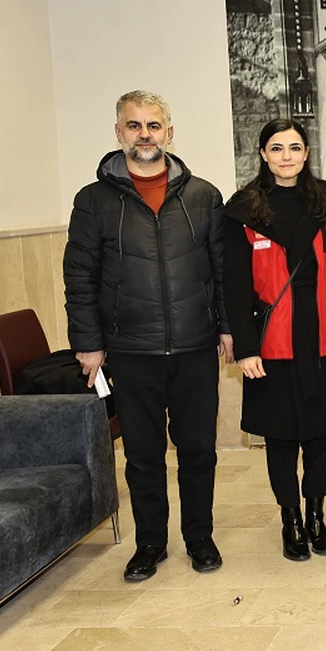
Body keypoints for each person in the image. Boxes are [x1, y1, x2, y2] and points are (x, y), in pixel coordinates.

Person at [64, 90, 232, 582]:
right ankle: (150, 544)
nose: (144, 135)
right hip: (130, 349)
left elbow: (222, 270)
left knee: (198, 450)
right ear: (119, 133)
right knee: (142, 456)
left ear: (169, 133)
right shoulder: (92, 201)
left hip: (195, 347)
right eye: (134, 125)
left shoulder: (203, 196)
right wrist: (88, 343)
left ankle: (199, 537)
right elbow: (79, 277)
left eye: (153, 125)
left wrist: (228, 328)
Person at [223, 119, 326, 561]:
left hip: (324, 342)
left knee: (321, 437)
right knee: (280, 440)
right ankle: (290, 520)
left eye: (294, 147)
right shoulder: (243, 210)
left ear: (306, 153)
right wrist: (246, 348)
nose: (286, 156)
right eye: (276, 148)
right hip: (272, 347)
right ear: (263, 154)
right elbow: (234, 286)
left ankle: (316, 516)